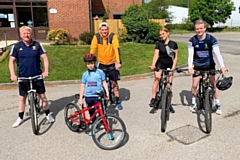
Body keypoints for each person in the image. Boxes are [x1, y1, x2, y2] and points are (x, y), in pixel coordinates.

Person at [9, 26, 54, 128]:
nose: (26, 35)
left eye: (28, 33)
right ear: (21, 35)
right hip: (23, 77)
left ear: (31, 34)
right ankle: (20, 117)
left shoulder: (37, 45)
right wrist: (12, 74)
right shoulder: (17, 46)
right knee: (22, 98)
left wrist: (46, 71)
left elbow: (45, 58)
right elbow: (11, 61)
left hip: (37, 76)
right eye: (24, 33)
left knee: (43, 97)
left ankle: (47, 114)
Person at [188, 20, 227, 115]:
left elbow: (218, 54)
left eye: (201, 28)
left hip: (209, 65)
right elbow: (190, 55)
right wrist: (190, 67)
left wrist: (222, 66)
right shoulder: (192, 40)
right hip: (197, 65)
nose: (199, 30)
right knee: (194, 85)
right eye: (197, 29)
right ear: (195, 29)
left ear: (205, 28)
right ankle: (193, 102)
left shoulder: (211, 39)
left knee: (214, 85)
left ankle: (218, 104)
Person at [90, 22, 123, 110]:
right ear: (100, 30)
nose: (104, 31)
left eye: (106, 29)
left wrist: (118, 62)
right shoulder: (97, 37)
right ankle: (102, 100)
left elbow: (116, 49)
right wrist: (90, 60)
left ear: (108, 29)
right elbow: (93, 49)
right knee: (101, 83)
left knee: (114, 83)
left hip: (112, 63)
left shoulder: (113, 36)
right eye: (102, 30)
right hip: (102, 63)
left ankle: (118, 100)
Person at [78, 53, 109, 136]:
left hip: (98, 96)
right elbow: (82, 86)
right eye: (88, 64)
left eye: (91, 63)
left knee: (102, 113)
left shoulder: (100, 72)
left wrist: (107, 92)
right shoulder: (85, 75)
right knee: (92, 113)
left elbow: (104, 82)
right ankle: (95, 126)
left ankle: (107, 129)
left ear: (94, 62)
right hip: (89, 96)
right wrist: (81, 98)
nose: (90, 65)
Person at [149, 28, 178, 113]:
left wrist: (173, 67)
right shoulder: (159, 44)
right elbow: (156, 55)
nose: (162, 36)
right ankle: (153, 98)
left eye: (163, 34)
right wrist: (153, 65)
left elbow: (175, 57)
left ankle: (169, 103)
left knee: (169, 85)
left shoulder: (173, 44)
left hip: (169, 64)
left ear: (167, 33)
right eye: (160, 34)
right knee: (157, 79)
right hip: (160, 64)